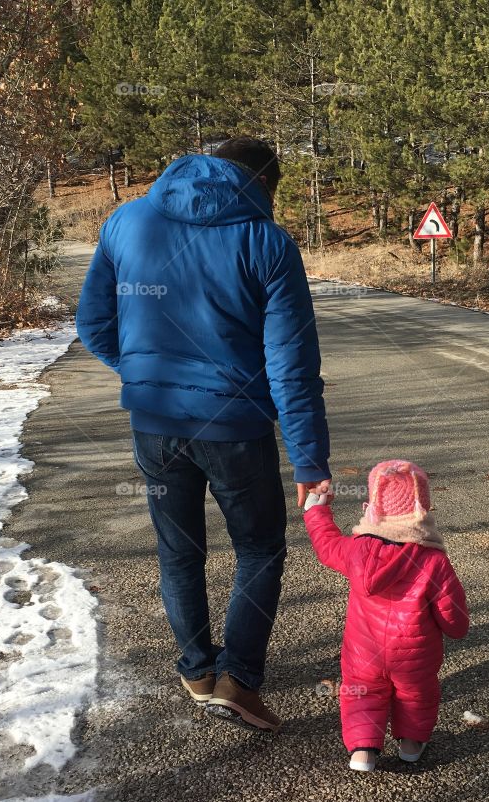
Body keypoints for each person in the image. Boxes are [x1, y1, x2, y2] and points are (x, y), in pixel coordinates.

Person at [76, 138, 331, 733]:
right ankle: (237, 680)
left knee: (179, 550)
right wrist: (309, 458)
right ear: (263, 183)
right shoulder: (267, 242)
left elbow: (93, 323)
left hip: (154, 423)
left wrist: (146, 376)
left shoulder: (126, 221)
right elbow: (291, 366)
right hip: (236, 428)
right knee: (259, 548)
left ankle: (196, 671)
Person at [303, 459, 468, 771]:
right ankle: (410, 745)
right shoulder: (432, 560)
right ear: (423, 509)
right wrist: (457, 627)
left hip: (363, 651)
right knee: (416, 695)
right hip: (415, 655)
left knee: (363, 693)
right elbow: (453, 618)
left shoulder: (357, 550)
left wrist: (316, 510)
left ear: (373, 507)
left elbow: (326, 545)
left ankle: (363, 751)